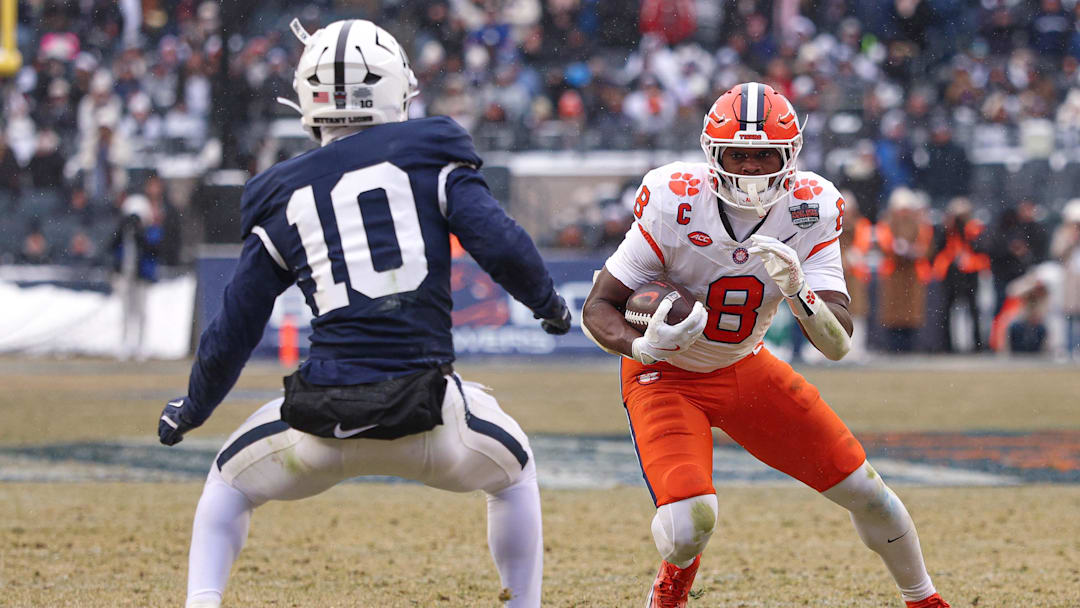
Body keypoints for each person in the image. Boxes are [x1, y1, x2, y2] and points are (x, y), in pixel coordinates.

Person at [156, 19, 571, 608]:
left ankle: (203, 602)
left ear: (306, 96)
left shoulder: (281, 192)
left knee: (226, 485)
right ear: (398, 88)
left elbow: (235, 324)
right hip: (426, 415)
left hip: (320, 421)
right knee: (515, 472)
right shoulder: (432, 150)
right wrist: (548, 305)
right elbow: (498, 240)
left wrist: (190, 409)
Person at [581, 83, 949, 608]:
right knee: (689, 524)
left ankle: (925, 599)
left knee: (869, 493)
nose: (751, 168)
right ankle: (670, 585)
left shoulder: (810, 207)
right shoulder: (675, 198)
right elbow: (599, 305)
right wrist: (641, 347)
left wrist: (800, 292)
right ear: (714, 155)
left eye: (764, 156)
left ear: (790, 156)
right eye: (739, 155)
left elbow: (838, 344)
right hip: (666, 376)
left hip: (744, 366)